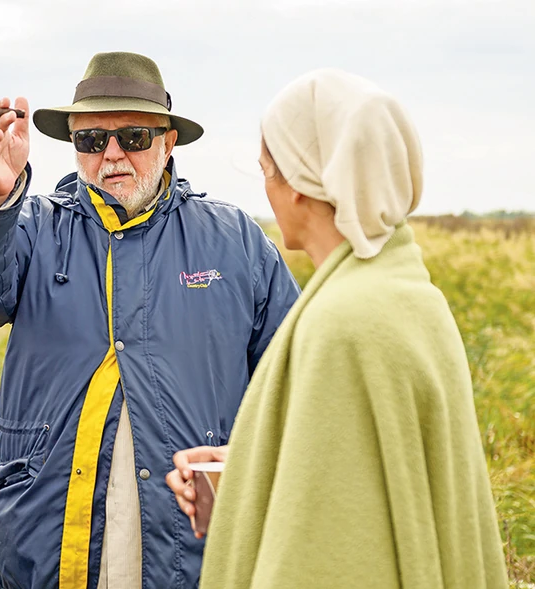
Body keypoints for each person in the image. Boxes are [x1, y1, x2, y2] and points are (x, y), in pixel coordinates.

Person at [0, 51, 301, 589]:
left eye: (135, 137)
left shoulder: (236, 241)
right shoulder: (33, 227)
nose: (113, 155)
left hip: (193, 540)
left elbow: (294, 378)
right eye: (92, 140)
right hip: (50, 536)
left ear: (168, 141)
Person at [166, 69, 510, 588]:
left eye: (267, 170)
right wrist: (251, 466)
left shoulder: (342, 322)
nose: (267, 190)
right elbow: (364, 476)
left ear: (302, 185)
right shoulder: (411, 293)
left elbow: (330, 544)